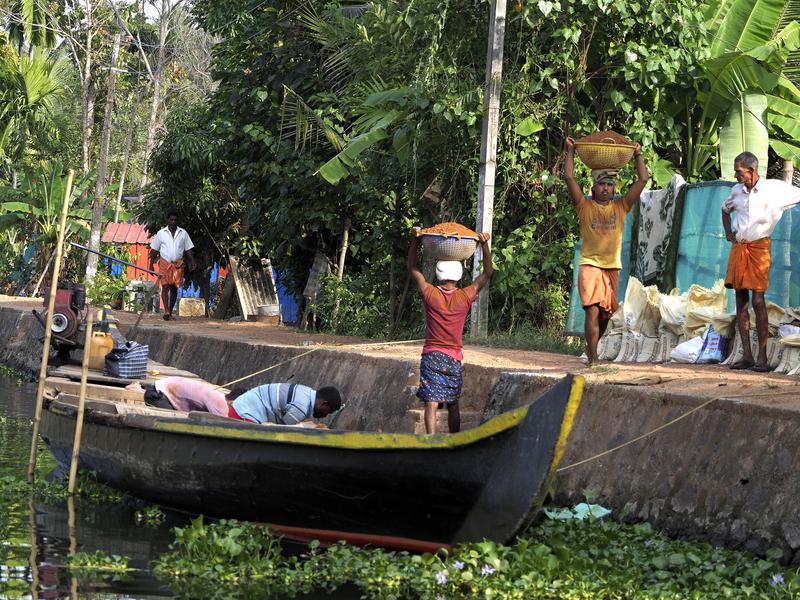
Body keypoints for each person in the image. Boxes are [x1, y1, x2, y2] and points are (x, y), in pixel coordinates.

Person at [564, 136, 649, 365]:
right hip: (590, 265)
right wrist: (571, 151)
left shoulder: (621, 207)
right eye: (602, 184)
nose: (606, 188)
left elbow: (643, 179)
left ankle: (591, 347)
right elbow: (569, 176)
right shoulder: (584, 206)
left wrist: (638, 154)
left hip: (611, 267)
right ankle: (593, 358)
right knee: (592, 310)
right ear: (593, 188)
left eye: (610, 185)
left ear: (614, 189)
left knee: (606, 314)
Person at [407, 227, 493, 435]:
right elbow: (488, 273)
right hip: (453, 357)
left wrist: (416, 240)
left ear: (438, 274)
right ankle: (454, 441)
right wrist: (483, 244)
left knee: (431, 401)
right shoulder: (464, 296)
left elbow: (412, 267)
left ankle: (430, 440)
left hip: (431, 355)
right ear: (459, 274)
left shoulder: (430, 293)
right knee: (453, 402)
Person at [722, 151, 800, 372]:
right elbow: (725, 210)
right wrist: (729, 233)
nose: (736, 175)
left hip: (759, 248)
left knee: (758, 300)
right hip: (739, 247)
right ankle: (747, 355)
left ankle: (762, 358)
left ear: (752, 170)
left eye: (739, 172)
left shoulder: (774, 190)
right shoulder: (736, 191)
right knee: (740, 299)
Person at [149, 209, 197, 321]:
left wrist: (193, 261)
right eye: (171, 220)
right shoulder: (161, 233)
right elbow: (154, 250)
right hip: (164, 264)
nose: (173, 222)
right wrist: (151, 264)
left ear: (177, 221)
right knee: (165, 286)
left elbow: (188, 249)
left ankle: (170, 311)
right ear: (168, 220)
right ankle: (165, 310)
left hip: (178, 264)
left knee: (174, 288)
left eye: (175, 220)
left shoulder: (183, 233)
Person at [228, 383, 342, 425]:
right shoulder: (301, 407)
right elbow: (282, 431)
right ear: (323, 403)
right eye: (328, 411)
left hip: (239, 406)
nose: (326, 415)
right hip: (242, 415)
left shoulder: (306, 391)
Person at [128, 377, 245, 415]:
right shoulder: (221, 404)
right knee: (171, 421)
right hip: (157, 395)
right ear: (234, 402)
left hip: (159, 388)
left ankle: (140, 390)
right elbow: (224, 423)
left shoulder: (219, 396)